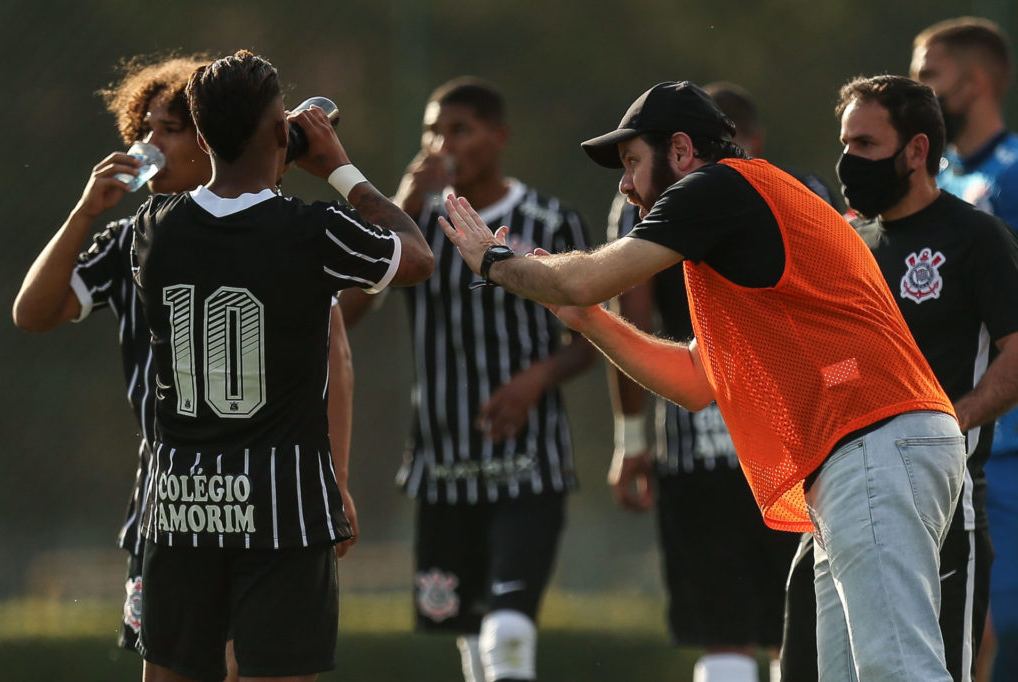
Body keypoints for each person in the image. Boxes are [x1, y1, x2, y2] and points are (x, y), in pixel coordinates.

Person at [440, 80, 967, 680]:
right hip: (866, 451)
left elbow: (584, 278)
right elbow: (695, 380)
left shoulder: (719, 187)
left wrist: (493, 261)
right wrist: (588, 322)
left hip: (873, 442)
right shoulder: (728, 227)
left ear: (684, 151)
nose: (625, 182)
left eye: (634, 161)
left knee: (898, 671)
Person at [130, 50, 433, 682]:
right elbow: (415, 257)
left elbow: (230, 225)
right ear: (280, 132)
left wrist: (263, 162)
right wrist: (340, 169)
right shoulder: (312, 231)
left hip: (182, 505)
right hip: (282, 512)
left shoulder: (152, 227)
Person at [780, 73, 1018, 682]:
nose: (846, 161)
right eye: (844, 143)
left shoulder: (976, 238)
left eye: (864, 145)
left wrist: (949, 419)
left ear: (916, 150)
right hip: (837, 499)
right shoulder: (847, 243)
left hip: (943, 502)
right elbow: (835, 362)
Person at [384, 76, 595, 682]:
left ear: (497, 137)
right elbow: (352, 306)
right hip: (444, 467)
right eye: (431, 130)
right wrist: (401, 201)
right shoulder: (413, 227)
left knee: (507, 630)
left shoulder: (550, 222)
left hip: (526, 464)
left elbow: (592, 338)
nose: (440, 144)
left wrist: (536, 379)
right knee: (472, 642)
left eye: (458, 130)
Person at [606, 81, 805, 682]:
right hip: (787, 443)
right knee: (795, 627)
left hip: (694, 440)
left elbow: (631, 312)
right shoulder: (794, 193)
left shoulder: (648, 202)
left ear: (686, 148)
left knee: (722, 632)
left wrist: (631, 438)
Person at [912, 18, 1018, 680]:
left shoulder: (1010, 175)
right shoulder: (929, 182)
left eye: (930, 76)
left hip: (1005, 444)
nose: (918, 90)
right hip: (940, 440)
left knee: (995, 629)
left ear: (975, 82)